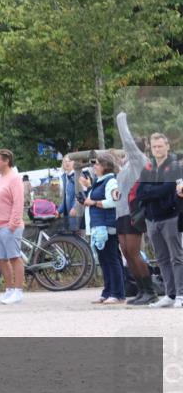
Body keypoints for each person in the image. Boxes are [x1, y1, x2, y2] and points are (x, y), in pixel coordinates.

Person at [136, 132, 183, 308]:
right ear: (151, 148)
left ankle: (181, 294)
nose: (157, 149)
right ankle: (170, 294)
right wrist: (154, 190)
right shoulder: (147, 168)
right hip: (152, 219)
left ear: (167, 146)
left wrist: (151, 190)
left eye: (160, 146)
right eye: (154, 146)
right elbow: (140, 192)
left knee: (176, 257)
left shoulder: (175, 167)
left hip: (171, 217)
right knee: (162, 258)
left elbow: (167, 189)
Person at [116, 113, 157, 306]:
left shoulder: (139, 161)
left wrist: (120, 121)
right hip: (121, 213)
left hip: (133, 212)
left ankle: (150, 291)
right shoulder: (126, 167)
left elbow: (128, 142)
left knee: (133, 251)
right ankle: (141, 290)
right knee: (126, 252)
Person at [82, 152, 124, 304]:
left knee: (111, 258)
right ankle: (107, 291)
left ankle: (117, 293)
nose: (94, 166)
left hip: (107, 226)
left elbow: (113, 202)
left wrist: (93, 202)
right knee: (104, 260)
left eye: (97, 164)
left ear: (105, 166)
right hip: (98, 226)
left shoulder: (111, 181)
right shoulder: (99, 181)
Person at [0, 149, 25, 305]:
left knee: (15, 257)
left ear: (6, 161)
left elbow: (18, 202)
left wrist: (13, 224)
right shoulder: (0, 178)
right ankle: (9, 290)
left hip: (9, 226)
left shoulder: (14, 178)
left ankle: (18, 291)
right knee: (2, 259)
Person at [57, 155, 80, 233]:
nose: (67, 163)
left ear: (74, 162)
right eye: (65, 161)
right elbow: (66, 197)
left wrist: (75, 208)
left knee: (78, 239)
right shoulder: (65, 177)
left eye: (69, 161)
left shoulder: (77, 175)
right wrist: (59, 211)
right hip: (68, 213)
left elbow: (82, 194)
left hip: (76, 213)